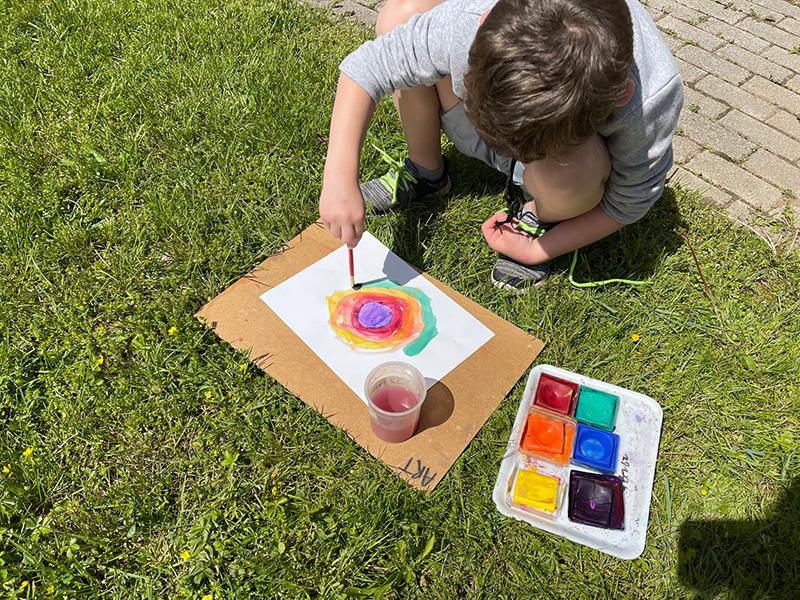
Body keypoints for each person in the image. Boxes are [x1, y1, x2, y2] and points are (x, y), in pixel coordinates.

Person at [318, 0, 683, 291]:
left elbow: (628, 201)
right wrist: (338, 175)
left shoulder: (648, 102)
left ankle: (544, 216)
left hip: (568, 170)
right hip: (512, 127)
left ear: (621, 97)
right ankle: (425, 171)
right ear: (486, 22)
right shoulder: (469, 21)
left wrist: (538, 248)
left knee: (575, 167)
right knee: (400, 17)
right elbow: (369, 66)